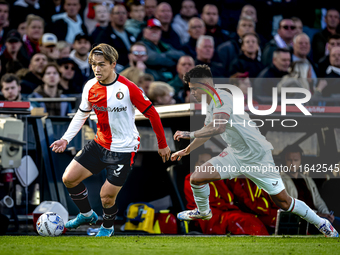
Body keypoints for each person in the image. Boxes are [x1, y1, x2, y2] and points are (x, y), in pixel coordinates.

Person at [170, 64, 339, 237]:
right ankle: (204, 211)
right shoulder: (211, 103)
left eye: (194, 89)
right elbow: (208, 130)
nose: (193, 93)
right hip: (236, 154)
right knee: (197, 178)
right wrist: (187, 150)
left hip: (258, 156)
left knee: (284, 202)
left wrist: (189, 133)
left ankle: (322, 224)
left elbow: (218, 128)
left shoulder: (222, 98)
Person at [50, 43, 171, 237]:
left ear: (113, 64)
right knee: (69, 179)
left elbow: (153, 115)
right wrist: (65, 139)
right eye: (93, 65)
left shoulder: (129, 88)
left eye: (102, 64)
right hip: (99, 144)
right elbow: (82, 114)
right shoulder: (90, 86)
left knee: (106, 197)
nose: (97, 69)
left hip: (123, 149)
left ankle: (106, 227)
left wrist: (163, 144)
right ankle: (87, 214)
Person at [280, 144, 340, 232]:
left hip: (318, 217)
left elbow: (318, 200)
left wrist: (327, 215)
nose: (293, 163)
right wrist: (318, 214)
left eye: (296, 160)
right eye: (289, 160)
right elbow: (293, 208)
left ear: (300, 161)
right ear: (284, 161)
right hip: (302, 220)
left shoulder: (307, 179)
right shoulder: (281, 180)